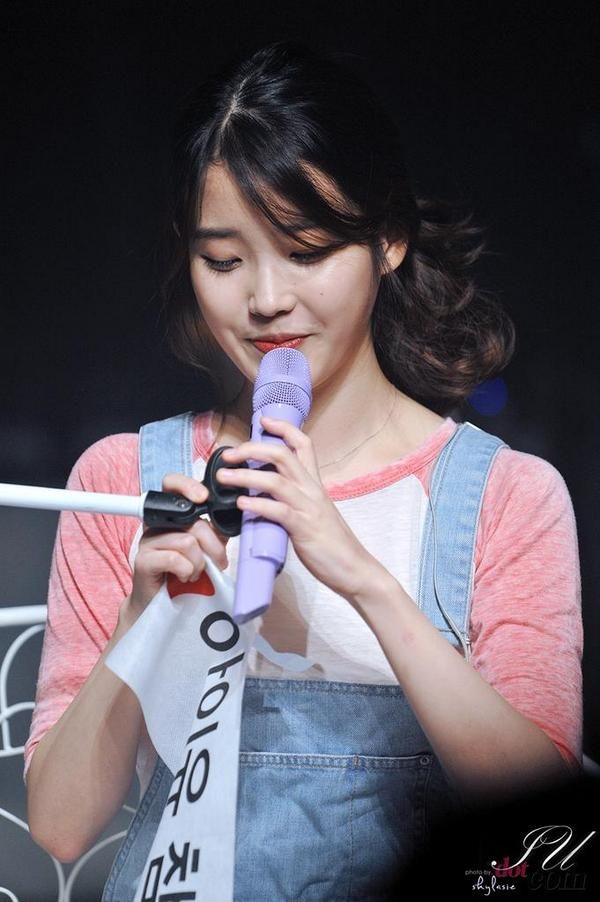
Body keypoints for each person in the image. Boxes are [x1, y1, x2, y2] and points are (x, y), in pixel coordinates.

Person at [23, 40, 582, 899]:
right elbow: (61, 825)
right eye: (223, 261)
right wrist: (143, 618)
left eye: (307, 250)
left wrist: (362, 578)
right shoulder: (124, 479)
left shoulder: (507, 497)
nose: (265, 300)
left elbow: (543, 834)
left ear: (388, 238)